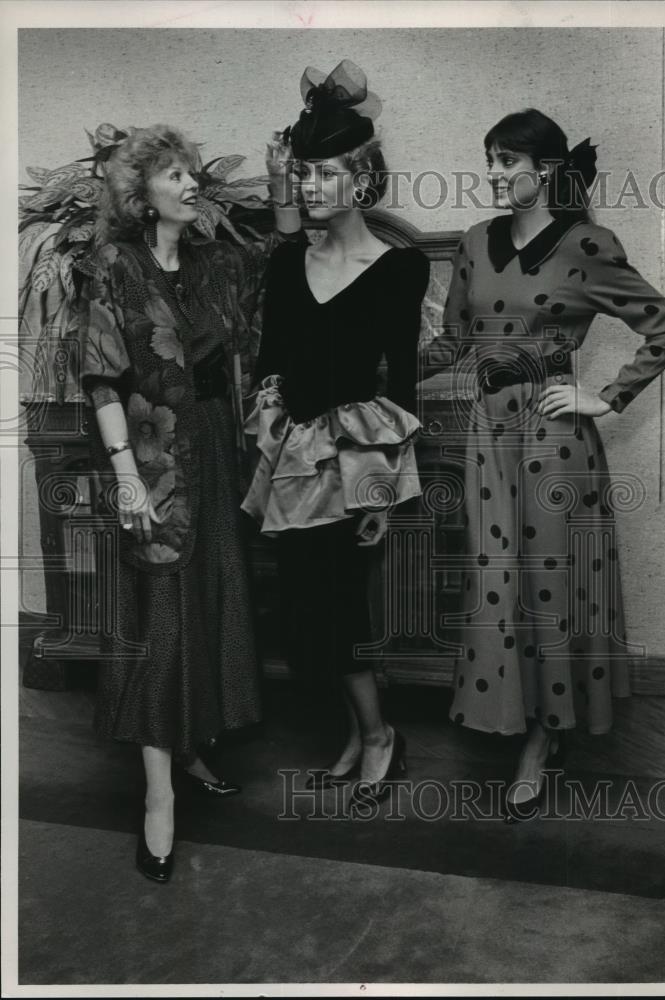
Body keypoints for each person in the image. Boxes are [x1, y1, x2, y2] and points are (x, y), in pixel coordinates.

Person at [421, 108, 665, 821]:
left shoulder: (586, 244)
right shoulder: (475, 244)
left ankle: (541, 740)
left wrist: (606, 395)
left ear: (544, 170)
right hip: (487, 434)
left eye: (508, 161)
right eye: (489, 159)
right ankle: (513, 717)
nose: (495, 173)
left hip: (551, 440)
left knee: (546, 587)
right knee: (494, 581)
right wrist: (382, 368)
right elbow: (452, 341)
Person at [77, 124, 302, 881]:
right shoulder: (111, 263)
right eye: (174, 175)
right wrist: (125, 475)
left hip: (214, 448)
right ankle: (157, 799)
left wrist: (277, 177)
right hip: (148, 451)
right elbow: (101, 378)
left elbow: (283, 253)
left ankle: (194, 745)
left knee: (207, 601)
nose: (191, 182)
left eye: (192, 171)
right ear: (141, 195)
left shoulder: (214, 263)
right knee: (162, 619)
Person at [241, 61, 430, 806]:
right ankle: (358, 733)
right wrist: (268, 438)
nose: (311, 185)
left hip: (357, 464)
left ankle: (381, 736)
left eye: (323, 174)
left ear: (360, 180)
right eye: (303, 174)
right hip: (293, 459)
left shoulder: (399, 269)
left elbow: (403, 385)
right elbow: (271, 365)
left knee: (342, 607)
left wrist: (383, 490)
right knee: (301, 613)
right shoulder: (289, 265)